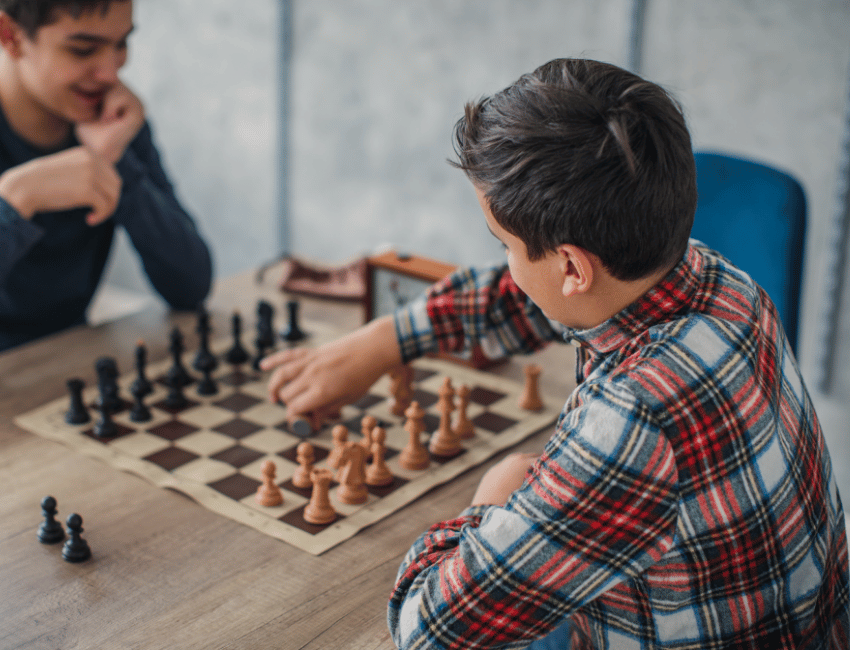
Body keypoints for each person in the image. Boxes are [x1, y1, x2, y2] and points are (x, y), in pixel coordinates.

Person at [264, 58, 850, 649]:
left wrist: (494, 501)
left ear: (571, 266)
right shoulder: (724, 285)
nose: (509, 266)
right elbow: (533, 299)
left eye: (506, 246)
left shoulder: (632, 420)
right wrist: (386, 341)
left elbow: (429, 631)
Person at [0, 0, 213, 368]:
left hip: (72, 368)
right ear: (10, 36)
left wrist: (116, 160)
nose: (111, 71)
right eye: (83, 49)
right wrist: (13, 199)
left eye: (121, 43)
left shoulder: (110, 118)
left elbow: (191, 285)